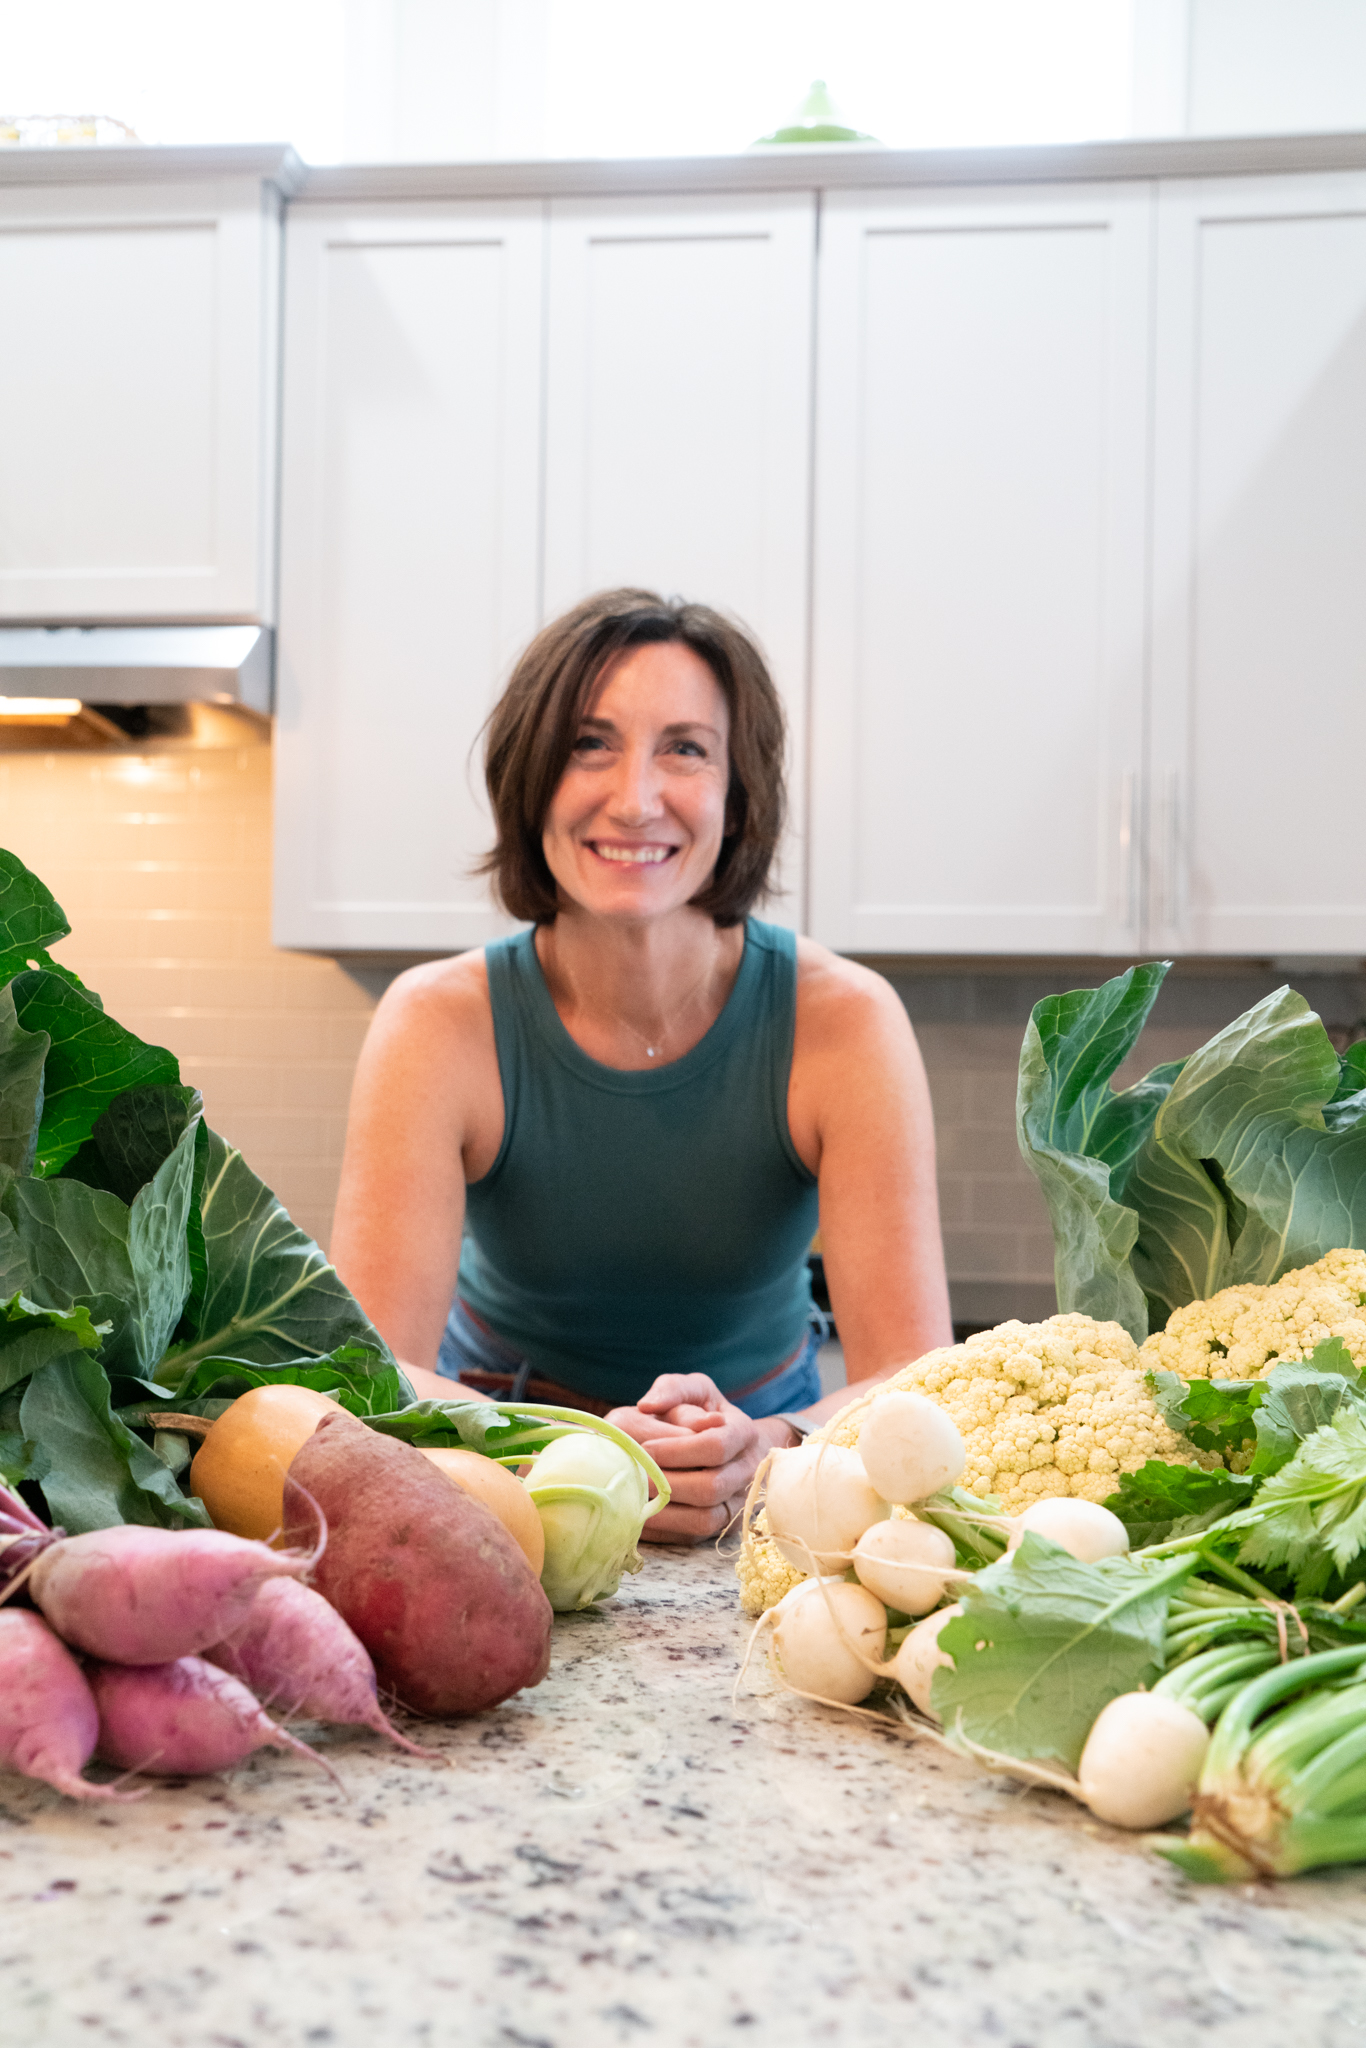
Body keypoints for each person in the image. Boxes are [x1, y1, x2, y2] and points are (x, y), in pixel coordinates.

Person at [329, 588, 953, 1541]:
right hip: (500, 1461)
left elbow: (913, 1375)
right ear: (530, 777)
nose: (634, 796)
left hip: (771, 1477)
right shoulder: (435, 1024)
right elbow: (369, 1368)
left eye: (686, 748)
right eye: (590, 743)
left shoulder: (848, 1022)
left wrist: (772, 1446)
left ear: (740, 797)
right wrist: (563, 1449)